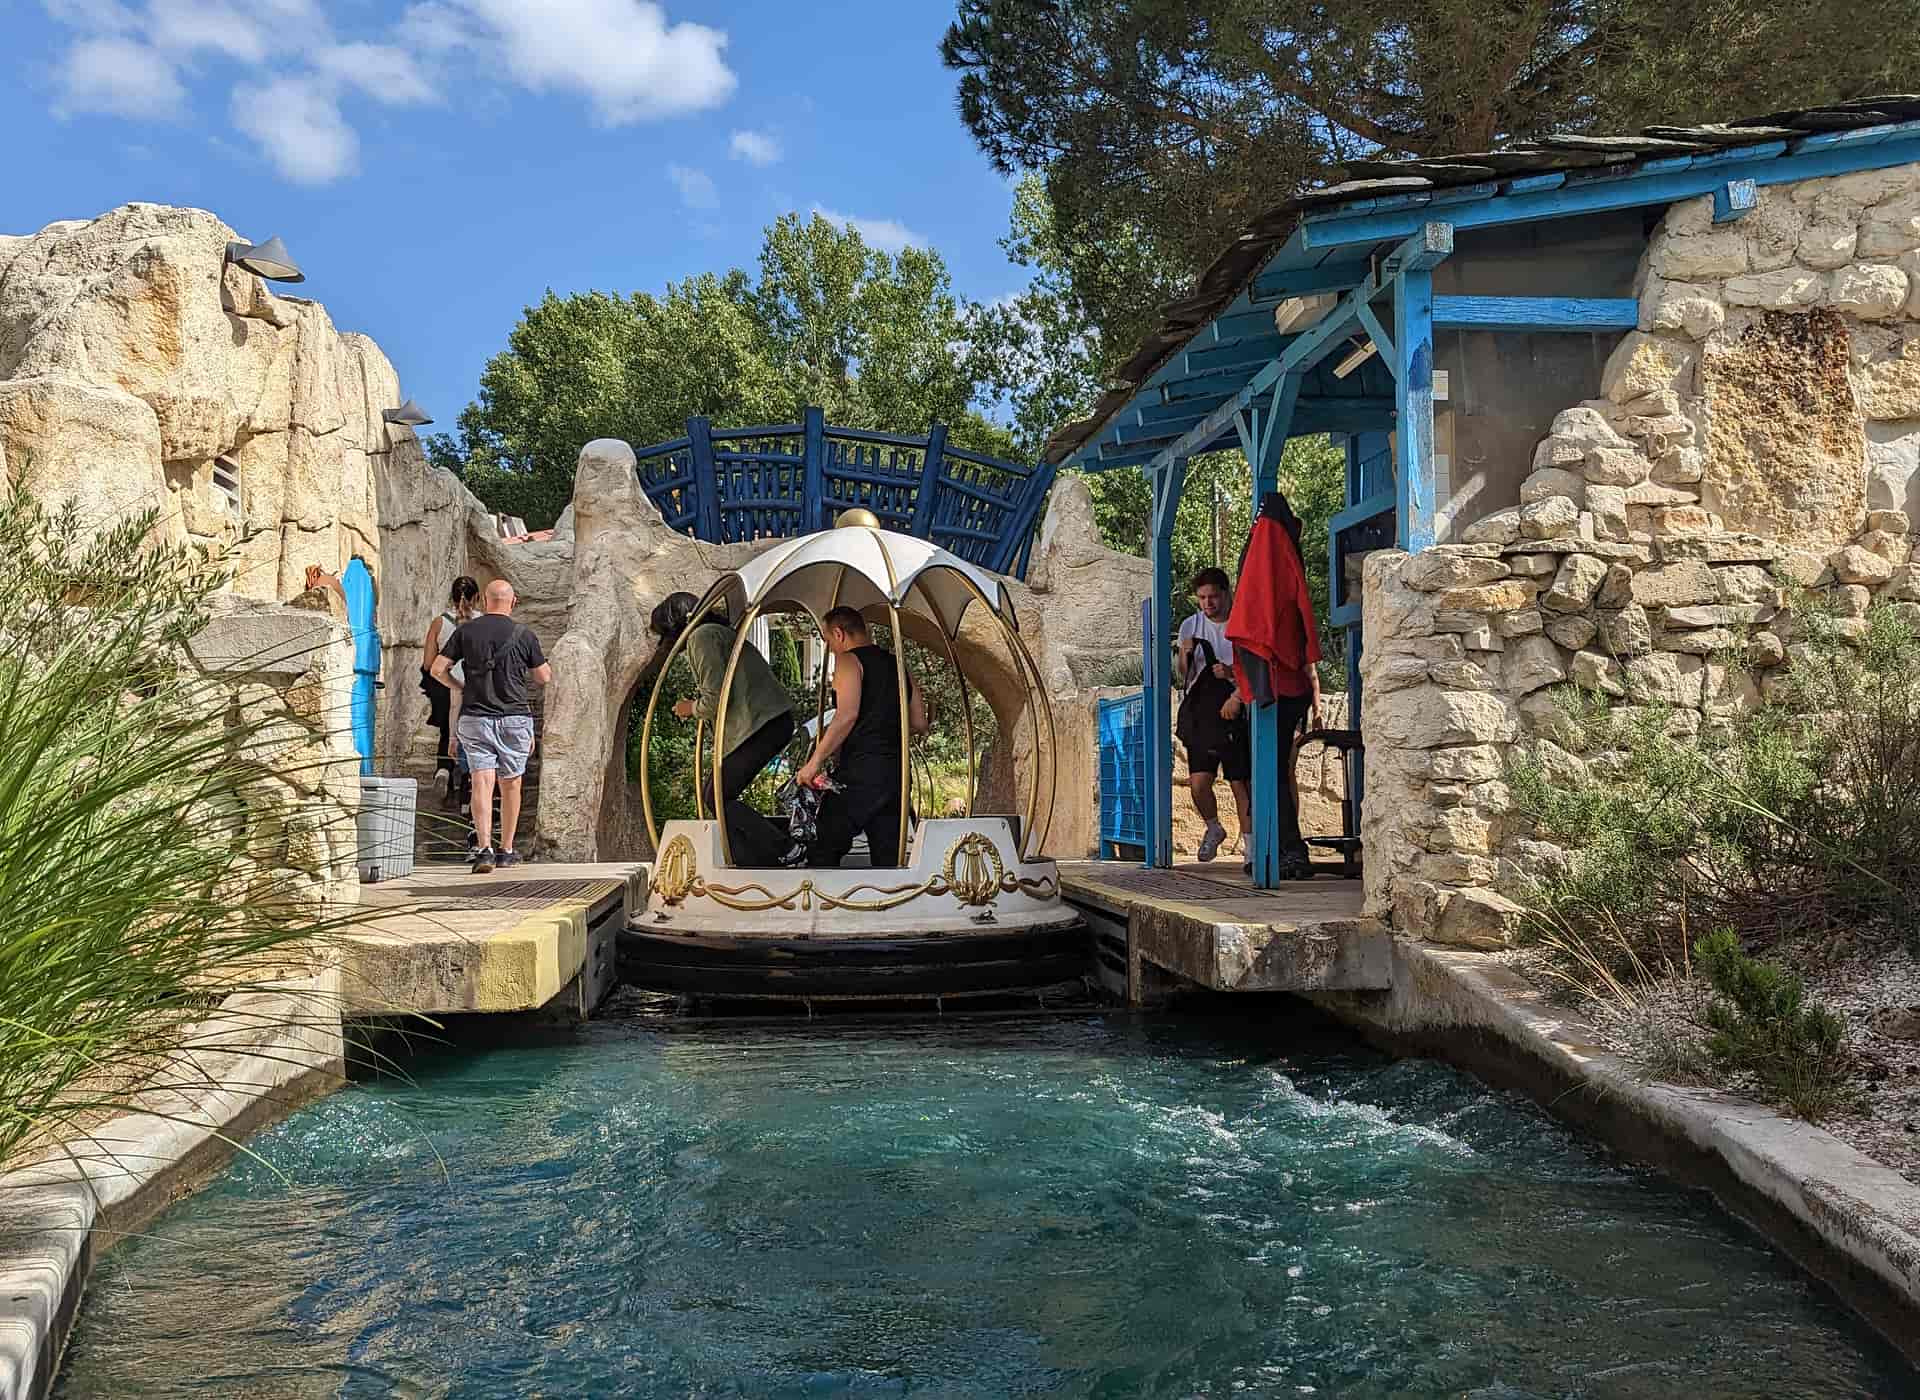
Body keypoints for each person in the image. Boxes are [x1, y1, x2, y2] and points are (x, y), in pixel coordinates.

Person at [649, 592, 798, 868]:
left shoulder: (701, 637)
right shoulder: (715, 633)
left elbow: (716, 698)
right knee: (716, 794)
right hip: (769, 722)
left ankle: (785, 848)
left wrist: (689, 708)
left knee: (716, 795)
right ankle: (760, 858)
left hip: (763, 724)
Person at [1227, 491, 1325, 880]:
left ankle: (1287, 851)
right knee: (1275, 770)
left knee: (1271, 770)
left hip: (1278, 682)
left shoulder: (1270, 538)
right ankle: (1282, 849)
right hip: (1288, 683)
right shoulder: (1283, 542)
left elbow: (1260, 617)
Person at [431, 579, 550, 874]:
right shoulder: (524, 634)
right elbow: (543, 677)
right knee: (511, 784)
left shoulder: (466, 631)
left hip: (475, 718)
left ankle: (484, 850)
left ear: (485, 602)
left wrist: (458, 686)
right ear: (513, 602)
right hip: (514, 718)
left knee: (481, 784)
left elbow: (437, 669)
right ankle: (506, 851)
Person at [795, 606, 929, 868]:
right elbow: (919, 722)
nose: (830, 649)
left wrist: (814, 762)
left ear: (839, 633)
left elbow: (847, 715)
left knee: (823, 847)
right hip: (896, 775)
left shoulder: (848, 661)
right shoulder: (900, 666)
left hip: (860, 771)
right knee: (888, 861)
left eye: (828, 641)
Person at [1177, 567, 1250, 863]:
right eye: (1202, 598)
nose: (1208, 603)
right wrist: (1184, 653)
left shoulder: (1241, 623)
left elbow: (1253, 668)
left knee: (1240, 782)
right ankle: (1213, 827)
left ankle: (1251, 849)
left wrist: (1232, 675)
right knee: (1198, 783)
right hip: (1203, 713)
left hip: (1235, 708)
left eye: (1213, 597)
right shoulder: (1190, 625)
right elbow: (1183, 674)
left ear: (1226, 593)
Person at [420, 576, 479, 813]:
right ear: (477, 597)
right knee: (470, 735)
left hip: (445, 684)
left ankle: (443, 770)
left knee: (448, 730)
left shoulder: (439, 622)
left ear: (451, 597)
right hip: (473, 686)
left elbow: (428, 663)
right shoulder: (482, 621)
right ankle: (466, 791)